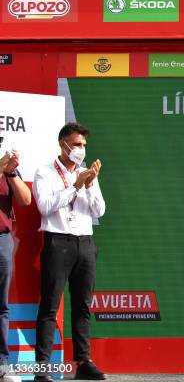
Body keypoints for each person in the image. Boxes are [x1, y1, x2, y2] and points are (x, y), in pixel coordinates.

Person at [32, 123, 106, 381]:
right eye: (76, 145)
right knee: (50, 306)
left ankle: (83, 362)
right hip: (58, 241)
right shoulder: (45, 172)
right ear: (63, 144)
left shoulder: (87, 174)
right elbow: (45, 206)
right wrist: (74, 185)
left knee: (83, 306)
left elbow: (100, 211)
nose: (80, 150)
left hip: (85, 243)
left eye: (83, 145)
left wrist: (88, 185)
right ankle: (42, 368)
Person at [0, 136, 32, 382]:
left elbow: (25, 199)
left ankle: (1, 364)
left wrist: (10, 174)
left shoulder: (7, 168)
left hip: (2, 239)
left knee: (1, 305)